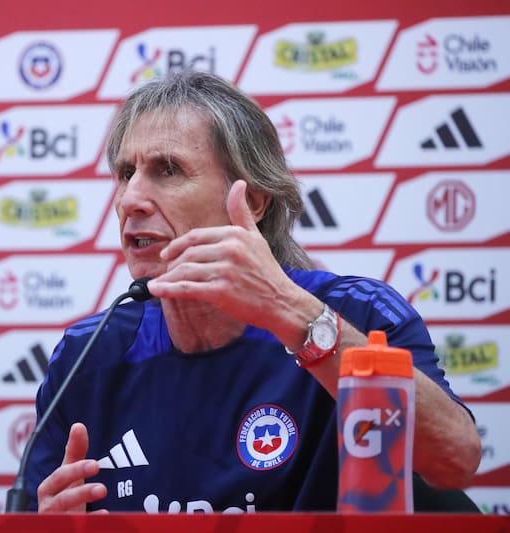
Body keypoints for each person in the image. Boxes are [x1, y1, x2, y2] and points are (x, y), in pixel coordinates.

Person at [25, 70, 482, 513]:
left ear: (253, 200)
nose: (131, 199)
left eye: (168, 170)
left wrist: (289, 311)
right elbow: (31, 512)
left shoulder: (359, 312)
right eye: (126, 173)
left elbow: (455, 462)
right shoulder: (87, 355)